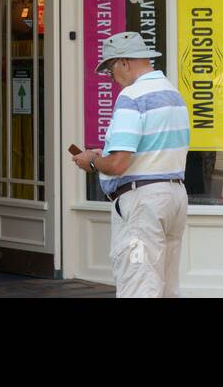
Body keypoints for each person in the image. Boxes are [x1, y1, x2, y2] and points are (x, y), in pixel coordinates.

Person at [72, 31, 189, 297]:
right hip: (174, 196)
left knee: (138, 283)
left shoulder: (132, 97)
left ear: (124, 62)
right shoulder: (173, 93)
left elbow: (118, 164)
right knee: (167, 286)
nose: (112, 78)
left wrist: (92, 161)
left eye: (110, 70)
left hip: (141, 201)